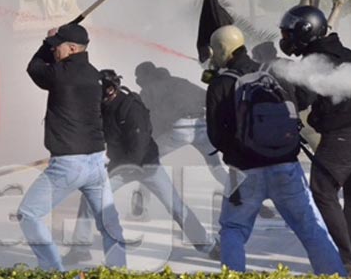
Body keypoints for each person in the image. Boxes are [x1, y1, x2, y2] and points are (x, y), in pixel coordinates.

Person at [205, 24, 345, 274]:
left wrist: (237, 150)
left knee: (233, 229)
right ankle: (335, 275)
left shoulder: (220, 84)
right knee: (312, 229)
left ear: (221, 49)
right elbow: (299, 104)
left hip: (244, 171)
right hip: (286, 166)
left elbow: (216, 135)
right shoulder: (274, 73)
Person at [63, 69, 219, 265]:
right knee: (89, 198)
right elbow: (95, 134)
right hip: (120, 165)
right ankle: (80, 249)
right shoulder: (101, 106)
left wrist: (112, 164)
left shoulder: (131, 107)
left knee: (175, 206)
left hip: (146, 166)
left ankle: (209, 246)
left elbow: (138, 147)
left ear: (110, 90)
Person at [19, 24, 125, 271]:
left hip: (69, 164)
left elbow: (34, 67)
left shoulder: (59, 74)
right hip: (97, 162)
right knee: (109, 223)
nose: (54, 50)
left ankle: (55, 271)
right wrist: (53, 42)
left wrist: (45, 43)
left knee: (28, 214)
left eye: (58, 46)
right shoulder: (95, 75)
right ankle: (119, 271)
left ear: (73, 48)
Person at [279, 5, 351, 271]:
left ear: (305, 31)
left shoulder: (316, 59)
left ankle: (346, 258)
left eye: (288, 34)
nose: (285, 39)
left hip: (342, 135)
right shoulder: (342, 53)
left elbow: (301, 98)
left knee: (322, 190)